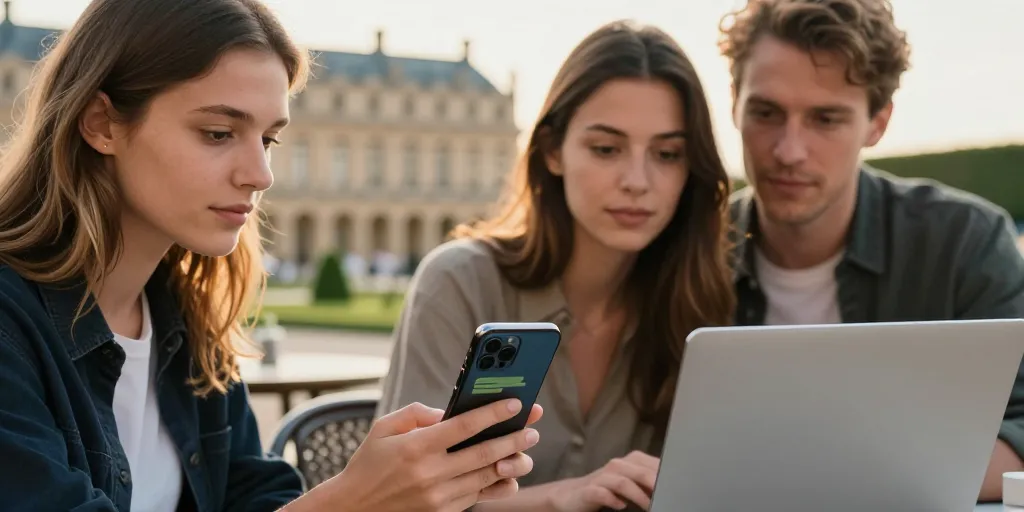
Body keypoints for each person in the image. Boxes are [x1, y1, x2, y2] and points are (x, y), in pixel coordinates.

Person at [0, 0, 542, 511]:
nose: (261, 176)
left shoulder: (189, 321)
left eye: (269, 140)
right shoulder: (10, 325)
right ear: (102, 124)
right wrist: (349, 502)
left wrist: (392, 492)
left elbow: (259, 498)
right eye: (218, 133)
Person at [377, 20, 736, 511]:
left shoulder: (694, 300)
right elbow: (405, 500)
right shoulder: (460, 283)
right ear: (552, 151)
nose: (637, 180)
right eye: (606, 148)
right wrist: (567, 497)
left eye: (668, 153)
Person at [719, 0, 1024, 501]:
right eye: (766, 112)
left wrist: (827, 480)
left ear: (878, 122)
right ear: (734, 102)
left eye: (826, 119)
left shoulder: (965, 242)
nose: (789, 150)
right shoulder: (687, 253)